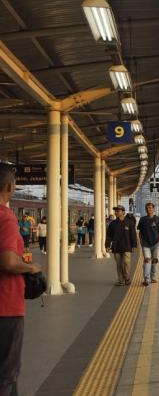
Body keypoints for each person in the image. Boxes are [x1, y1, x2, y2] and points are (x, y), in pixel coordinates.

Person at [0, 164, 43, 395]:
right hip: (6, 307)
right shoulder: (6, 219)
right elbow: (7, 262)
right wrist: (30, 267)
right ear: (9, 186)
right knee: (6, 374)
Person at [105, 205, 137, 286]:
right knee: (119, 264)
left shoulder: (129, 223)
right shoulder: (113, 224)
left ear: (123, 212)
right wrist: (107, 245)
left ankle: (126, 277)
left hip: (127, 246)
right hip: (116, 247)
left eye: (118, 211)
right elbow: (109, 236)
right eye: (115, 211)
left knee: (126, 262)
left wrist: (134, 245)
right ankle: (121, 280)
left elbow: (133, 234)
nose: (116, 212)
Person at [137, 203, 159, 286]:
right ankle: (146, 279)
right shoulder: (142, 219)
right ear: (145, 209)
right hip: (145, 244)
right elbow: (140, 232)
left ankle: (153, 277)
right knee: (147, 260)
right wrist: (141, 241)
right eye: (147, 208)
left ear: (153, 209)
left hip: (155, 243)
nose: (149, 209)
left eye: (150, 208)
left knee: (154, 261)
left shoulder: (158, 219)